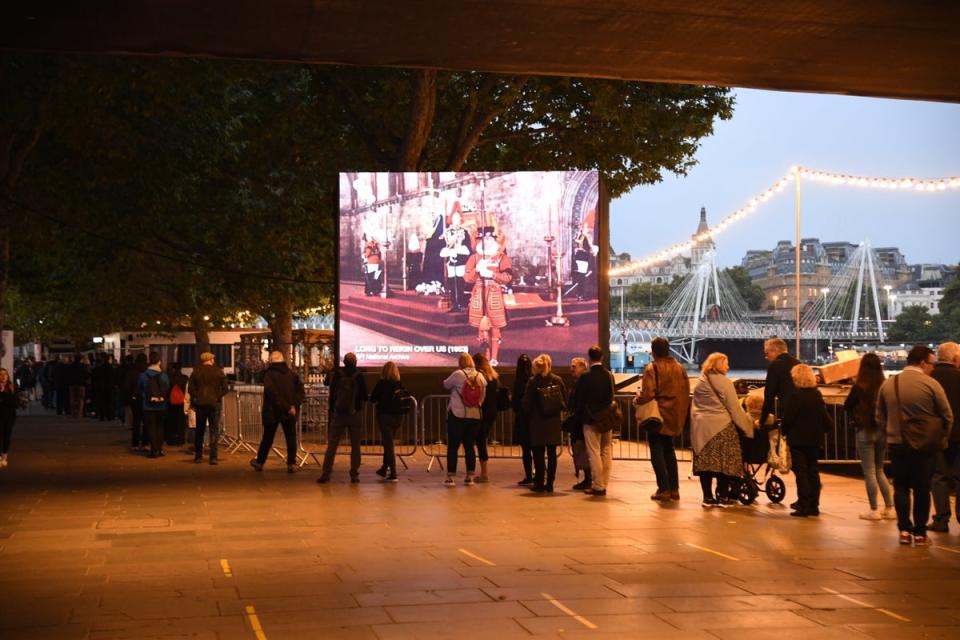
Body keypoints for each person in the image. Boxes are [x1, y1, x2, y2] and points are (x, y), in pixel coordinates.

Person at [878, 345, 954, 545]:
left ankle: (904, 530)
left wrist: (890, 432)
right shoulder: (931, 385)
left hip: (897, 444)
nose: (932, 368)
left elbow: (879, 416)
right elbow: (947, 416)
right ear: (922, 363)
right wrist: (941, 438)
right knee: (922, 489)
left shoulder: (889, 384)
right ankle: (920, 533)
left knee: (901, 488)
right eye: (931, 363)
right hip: (925, 446)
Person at [690, 353, 755, 507]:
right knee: (724, 464)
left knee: (705, 465)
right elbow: (735, 409)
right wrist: (749, 427)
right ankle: (723, 496)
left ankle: (707, 497)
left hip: (702, 429)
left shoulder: (700, 382)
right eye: (726, 363)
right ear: (718, 365)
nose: (728, 366)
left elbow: (695, 408)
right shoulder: (725, 383)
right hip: (722, 428)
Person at [637, 337, 690, 501]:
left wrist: (638, 398)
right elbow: (685, 390)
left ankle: (663, 488)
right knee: (669, 450)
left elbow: (648, 394)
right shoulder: (680, 368)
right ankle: (675, 489)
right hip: (675, 415)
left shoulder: (652, 368)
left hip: (658, 415)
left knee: (656, 450)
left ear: (653, 351)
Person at [844, 353, 895, 521]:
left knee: (869, 472)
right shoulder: (885, 385)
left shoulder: (859, 386)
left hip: (864, 430)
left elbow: (847, 405)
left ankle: (874, 509)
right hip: (881, 431)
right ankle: (889, 508)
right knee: (880, 470)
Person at [782, 364, 832, 517]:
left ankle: (803, 505)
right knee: (813, 471)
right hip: (815, 440)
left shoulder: (796, 396)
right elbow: (826, 419)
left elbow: (789, 418)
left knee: (801, 473)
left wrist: (784, 432)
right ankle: (814, 505)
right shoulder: (817, 395)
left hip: (798, 440)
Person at [464, 227, 513, 366]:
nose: (487, 241)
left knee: (495, 327)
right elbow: (467, 278)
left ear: (494, 240)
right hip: (479, 293)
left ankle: (494, 358)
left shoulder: (501, 257)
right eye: (484, 238)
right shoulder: (474, 258)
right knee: (481, 327)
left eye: (490, 238)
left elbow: (508, 277)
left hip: (494, 294)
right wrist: (477, 270)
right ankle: (485, 358)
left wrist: (493, 275)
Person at [252, 351, 305, 474]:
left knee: (267, 438)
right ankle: (291, 463)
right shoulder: (292, 374)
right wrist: (293, 406)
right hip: (290, 411)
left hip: (272, 411)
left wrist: (285, 407)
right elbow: (300, 392)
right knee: (291, 438)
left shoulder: (269, 375)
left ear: (271, 360)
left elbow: (272, 393)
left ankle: (260, 462)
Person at [318, 352, 367, 483]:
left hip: (339, 414)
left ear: (344, 362)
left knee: (332, 445)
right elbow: (364, 395)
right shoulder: (359, 376)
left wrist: (333, 410)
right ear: (355, 362)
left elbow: (332, 393)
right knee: (355, 445)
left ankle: (326, 473)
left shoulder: (338, 374)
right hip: (354, 414)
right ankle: (354, 473)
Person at [523, 353, 566, 493]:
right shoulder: (557, 380)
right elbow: (564, 401)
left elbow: (527, 403)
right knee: (552, 454)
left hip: (537, 421)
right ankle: (550, 483)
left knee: (538, 453)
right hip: (553, 421)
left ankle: (539, 482)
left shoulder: (532, 382)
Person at [442, 352, 486, 487]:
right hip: (474, 416)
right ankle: (470, 476)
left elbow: (445, 384)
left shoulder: (458, 374)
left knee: (453, 446)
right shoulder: (480, 376)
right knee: (469, 446)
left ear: (460, 362)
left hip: (457, 415)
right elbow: (482, 396)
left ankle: (450, 477)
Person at [929, 341, 960, 533]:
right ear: (955, 358)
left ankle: (941, 519)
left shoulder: (930, 378)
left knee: (939, 477)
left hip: (936, 435)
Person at [578, 345, 615, 497]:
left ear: (589, 358)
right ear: (602, 357)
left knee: (594, 452)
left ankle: (598, 484)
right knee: (606, 451)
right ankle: (604, 483)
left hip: (591, 418)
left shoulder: (586, 377)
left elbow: (580, 398)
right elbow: (611, 396)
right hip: (606, 418)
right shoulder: (608, 375)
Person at [188, 351, 229, 465]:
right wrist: (217, 396)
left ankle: (198, 456)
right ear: (210, 359)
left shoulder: (196, 372)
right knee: (213, 430)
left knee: (199, 430)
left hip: (200, 405)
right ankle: (213, 457)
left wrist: (197, 397)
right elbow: (225, 388)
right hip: (214, 404)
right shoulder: (218, 371)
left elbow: (191, 389)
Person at [369, 361, 404, 482]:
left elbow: (373, 398)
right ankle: (384, 468)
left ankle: (393, 473)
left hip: (384, 416)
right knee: (388, 442)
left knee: (388, 445)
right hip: (398, 417)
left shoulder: (381, 383)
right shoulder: (398, 384)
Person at [758, 338, 800, 429]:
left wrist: (762, 420)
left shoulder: (775, 365)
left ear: (775, 351)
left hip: (789, 412)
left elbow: (769, 395)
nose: (766, 357)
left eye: (767, 353)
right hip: (803, 412)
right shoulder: (798, 363)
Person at [472, 352, 499, 483]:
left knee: (480, 440)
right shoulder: (493, 376)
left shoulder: (480, 376)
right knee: (482, 439)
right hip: (492, 412)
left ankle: (484, 473)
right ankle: (483, 472)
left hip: (482, 412)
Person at [138, 352, 170, 458]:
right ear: (159, 362)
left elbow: (140, 388)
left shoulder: (143, 375)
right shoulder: (164, 376)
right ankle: (160, 449)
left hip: (148, 405)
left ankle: (153, 450)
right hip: (161, 405)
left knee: (151, 427)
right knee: (160, 427)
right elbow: (167, 388)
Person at [567, 357, 591, 490]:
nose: (571, 369)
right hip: (577, 422)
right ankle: (586, 478)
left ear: (583, 367)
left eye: (574, 366)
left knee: (583, 451)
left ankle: (588, 478)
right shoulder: (577, 383)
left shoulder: (583, 383)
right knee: (579, 450)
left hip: (582, 421)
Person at [513, 354, 534, 486]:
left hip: (522, 420)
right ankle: (538, 474)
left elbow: (515, 402)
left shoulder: (517, 382)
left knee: (526, 450)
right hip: (535, 420)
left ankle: (529, 475)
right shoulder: (534, 380)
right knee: (537, 449)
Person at [125, 353, 148, 451]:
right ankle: (145, 443)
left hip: (136, 399)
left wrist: (129, 398)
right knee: (146, 422)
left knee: (136, 422)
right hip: (146, 399)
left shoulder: (132, 372)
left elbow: (127, 386)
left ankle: (135, 443)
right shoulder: (147, 371)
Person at [164, 362, 189, 447]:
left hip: (170, 403)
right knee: (181, 422)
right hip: (181, 403)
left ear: (173, 369)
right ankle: (181, 440)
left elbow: (166, 390)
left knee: (171, 422)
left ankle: (171, 440)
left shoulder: (169, 378)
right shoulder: (185, 378)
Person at [0, 368, 18, 468]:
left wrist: (3, 399)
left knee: (7, 435)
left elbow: (15, 403)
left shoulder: (12, 387)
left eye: (5, 374)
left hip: (9, 416)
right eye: (1, 374)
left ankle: (4, 455)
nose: (3, 377)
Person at [67, 353, 88, 419]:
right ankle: (79, 414)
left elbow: (68, 374)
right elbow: (86, 374)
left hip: (72, 384)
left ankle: (73, 414)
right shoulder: (83, 366)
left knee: (72, 399)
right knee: (80, 399)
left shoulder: (70, 366)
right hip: (81, 384)